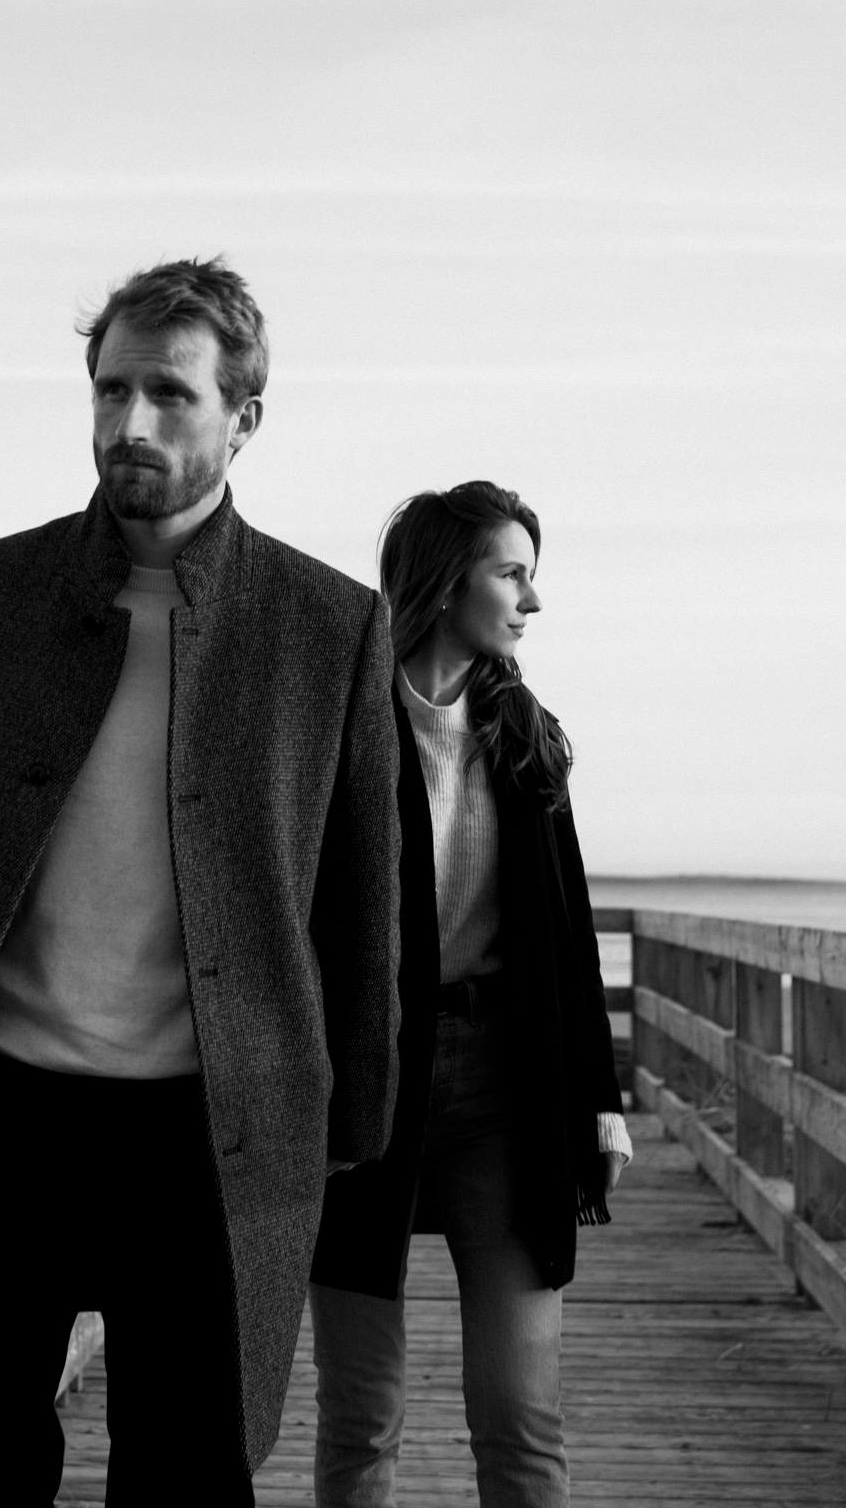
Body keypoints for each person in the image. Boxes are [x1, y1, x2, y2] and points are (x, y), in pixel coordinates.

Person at [0, 257, 401, 1505]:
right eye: (109, 390)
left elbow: (364, 905)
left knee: (188, 1475)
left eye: (169, 393)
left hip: (209, 1125)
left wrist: (355, 1126)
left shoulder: (329, 626)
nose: (130, 423)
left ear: (243, 419)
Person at [307, 481, 629, 1508]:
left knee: (520, 1409)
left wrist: (603, 1099)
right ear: (447, 583)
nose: (532, 601)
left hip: (507, 1084)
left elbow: (568, 935)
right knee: (362, 1414)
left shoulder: (526, 737)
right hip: (360, 1083)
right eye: (513, 572)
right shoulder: (336, 728)